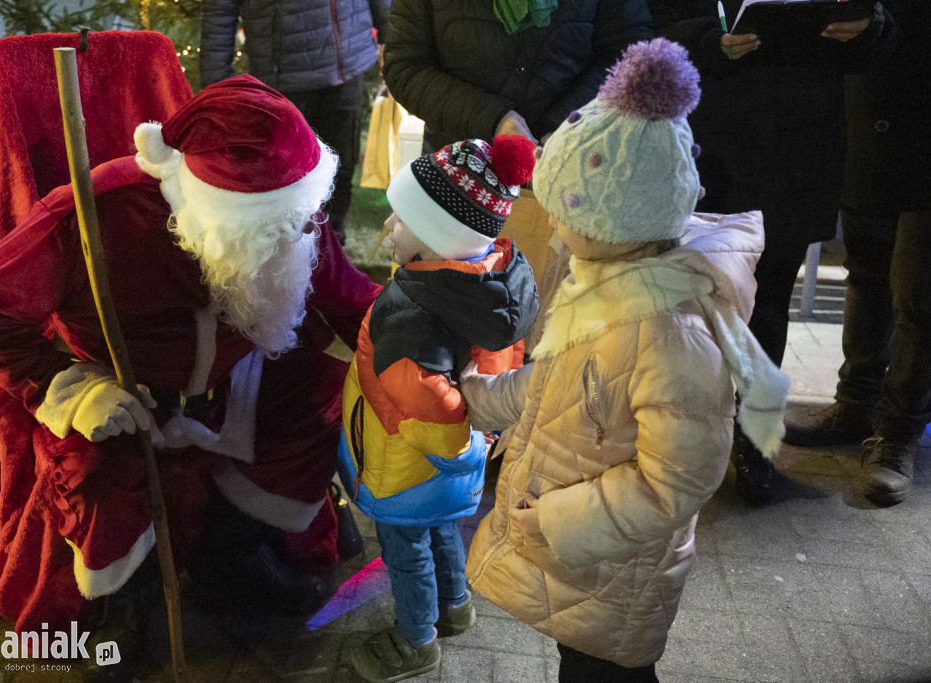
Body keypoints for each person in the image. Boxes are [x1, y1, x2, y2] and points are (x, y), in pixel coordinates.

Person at [0, 75, 382, 681]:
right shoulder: (98, 213)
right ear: (216, 209)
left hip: (239, 384)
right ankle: (124, 598)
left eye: (305, 214)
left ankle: (235, 555)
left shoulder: (289, 209)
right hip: (128, 393)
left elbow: (349, 297)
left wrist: (421, 342)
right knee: (100, 471)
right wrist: (69, 387)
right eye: (275, 225)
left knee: (316, 392)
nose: (303, 234)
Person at [459, 40, 790, 681]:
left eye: (564, 216)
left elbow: (678, 481)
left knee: (605, 672)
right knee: (578, 663)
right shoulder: (610, 279)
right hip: (583, 558)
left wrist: (557, 522)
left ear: (617, 220)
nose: (553, 231)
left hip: (613, 564)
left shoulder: (670, 332)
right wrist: (481, 399)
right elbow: (562, 384)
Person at [648, 0, 897, 503]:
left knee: (769, 300)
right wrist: (703, 41)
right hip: (708, 133)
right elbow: (642, 24)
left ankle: (754, 443)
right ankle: (677, 440)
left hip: (799, 139)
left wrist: (870, 30)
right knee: (684, 296)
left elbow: (880, 42)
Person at [338, 135, 539, 682]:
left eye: (400, 221)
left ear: (433, 240)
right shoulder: (489, 290)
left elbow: (422, 402)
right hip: (463, 462)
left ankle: (415, 640)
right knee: (445, 529)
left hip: (409, 467)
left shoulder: (409, 312)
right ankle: (456, 606)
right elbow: (496, 373)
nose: (388, 229)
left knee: (407, 551)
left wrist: (452, 444)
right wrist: (474, 444)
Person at [784, 0, 929, 506]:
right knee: (866, 271)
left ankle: (897, 435)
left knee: (918, 292)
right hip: (870, 110)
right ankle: (854, 406)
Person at [199, 0, 389, 244]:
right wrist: (217, 88)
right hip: (284, 76)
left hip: (347, 62)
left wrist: (391, 36)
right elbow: (220, 10)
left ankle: (333, 252)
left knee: (340, 170)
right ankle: (290, 259)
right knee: (287, 182)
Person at [381, 0, 652, 152]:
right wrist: (494, 118)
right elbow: (405, 66)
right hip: (462, 169)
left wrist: (565, 122)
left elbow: (628, 52)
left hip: (574, 161)